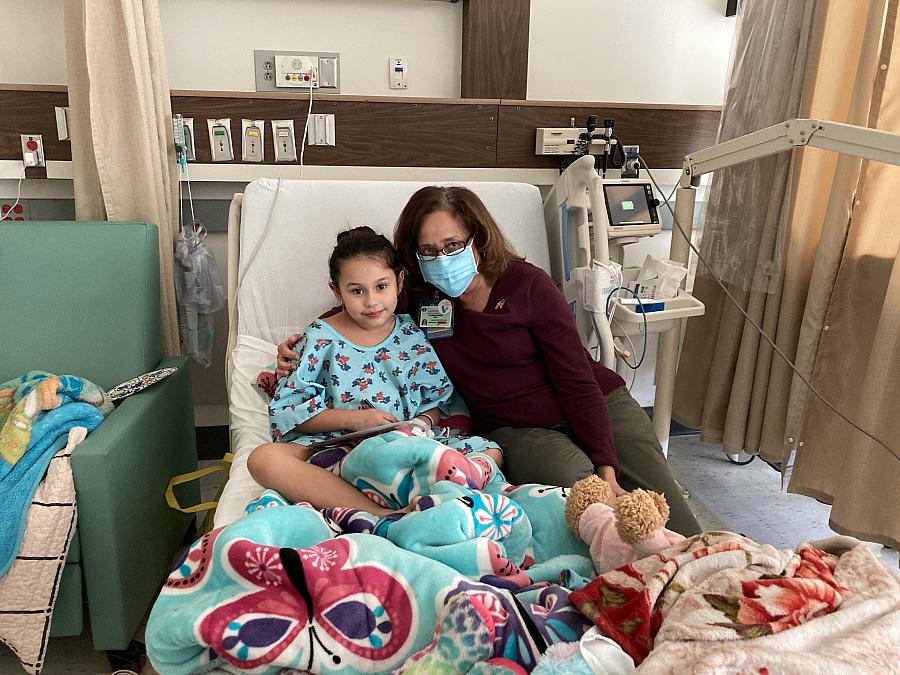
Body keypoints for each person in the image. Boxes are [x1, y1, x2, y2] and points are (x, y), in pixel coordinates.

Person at [277, 188, 701, 536]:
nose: (442, 259)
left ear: (478, 240)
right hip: (518, 428)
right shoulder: (421, 295)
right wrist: (301, 345)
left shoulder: (528, 285)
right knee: (584, 492)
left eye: (453, 245)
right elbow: (363, 305)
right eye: (428, 250)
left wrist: (609, 466)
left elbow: (576, 381)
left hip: (596, 402)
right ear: (415, 260)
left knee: (668, 509)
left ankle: (714, 574)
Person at [249, 225, 502, 516]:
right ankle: (381, 514)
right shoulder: (319, 338)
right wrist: (358, 420)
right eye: (357, 291)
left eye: (381, 286)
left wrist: (420, 424)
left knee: (491, 451)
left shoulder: (411, 336)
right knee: (263, 459)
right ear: (336, 291)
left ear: (400, 281)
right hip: (339, 449)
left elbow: (435, 402)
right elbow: (289, 413)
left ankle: (427, 498)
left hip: (404, 446)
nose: (371, 301)